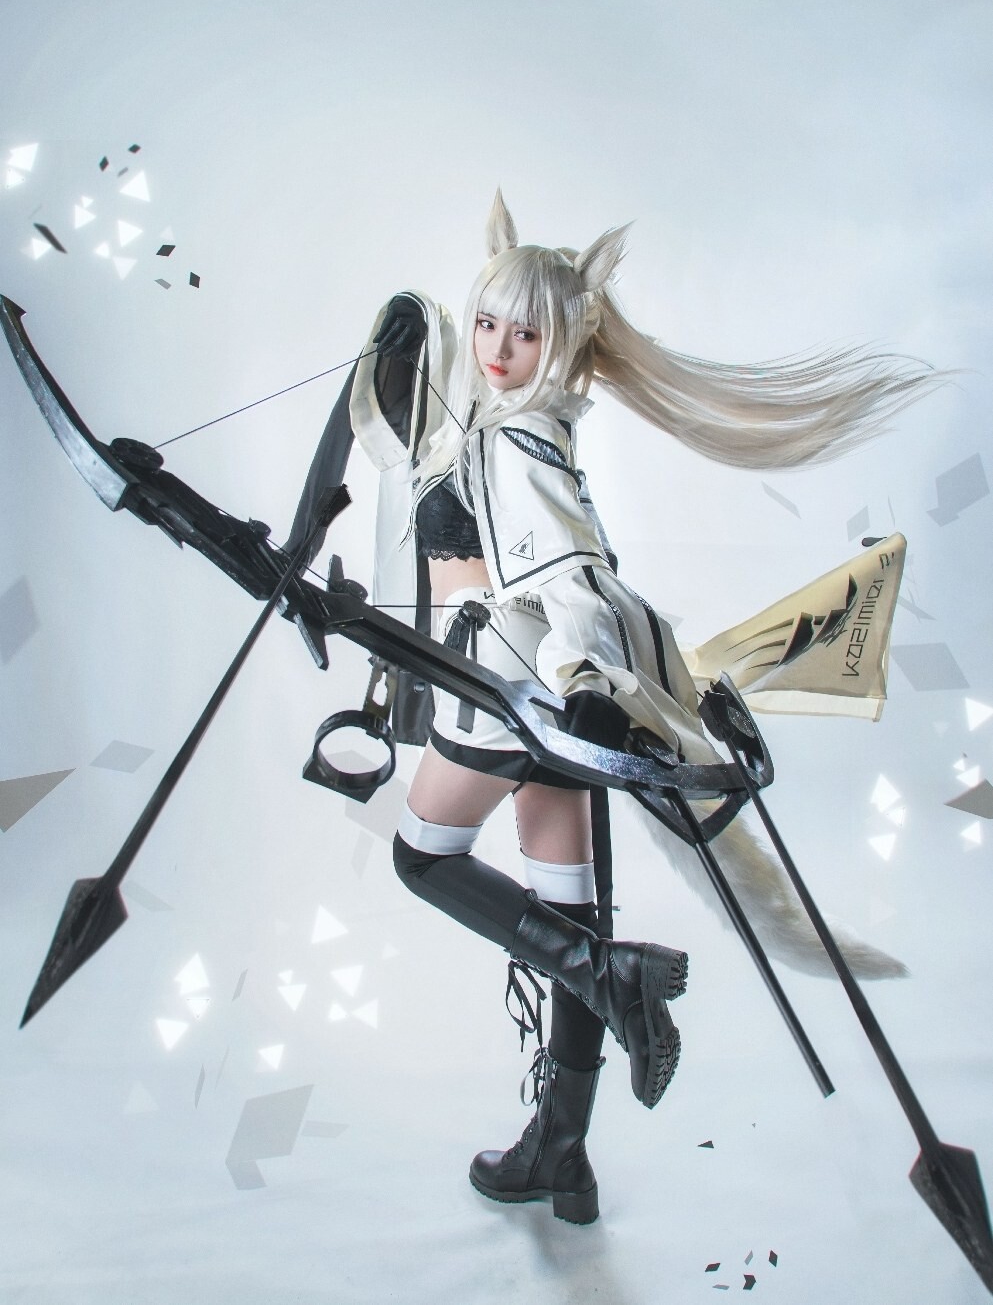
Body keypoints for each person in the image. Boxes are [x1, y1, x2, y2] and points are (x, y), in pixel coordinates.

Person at [287, 189, 937, 1225]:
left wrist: (586, 679)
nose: (498, 349)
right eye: (488, 323)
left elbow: (576, 572)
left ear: (561, 341)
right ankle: (563, 1150)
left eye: (523, 333)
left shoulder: (518, 440)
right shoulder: (500, 422)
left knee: (423, 856)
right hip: (542, 692)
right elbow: (416, 441)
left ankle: (607, 972)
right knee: (567, 902)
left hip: (503, 683)